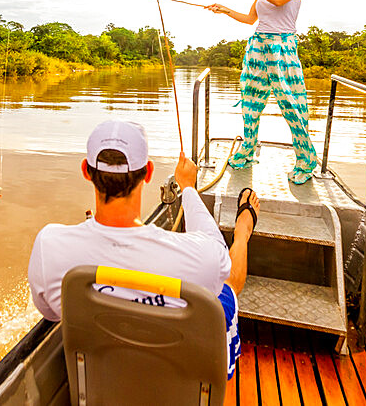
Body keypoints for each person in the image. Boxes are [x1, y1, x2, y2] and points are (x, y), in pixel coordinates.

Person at [28, 119, 259, 380]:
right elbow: (222, 263)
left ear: (85, 170)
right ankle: (244, 230)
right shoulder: (200, 258)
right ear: (149, 172)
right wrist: (189, 189)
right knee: (227, 286)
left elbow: (49, 313)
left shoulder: (49, 246)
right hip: (175, 383)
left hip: (103, 385)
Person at [206, 0, 318, 184]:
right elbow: (249, 19)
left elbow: (279, 0)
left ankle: (306, 160)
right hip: (258, 45)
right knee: (251, 102)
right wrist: (224, 10)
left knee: (291, 104)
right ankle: (247, 150)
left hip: (282, 48)